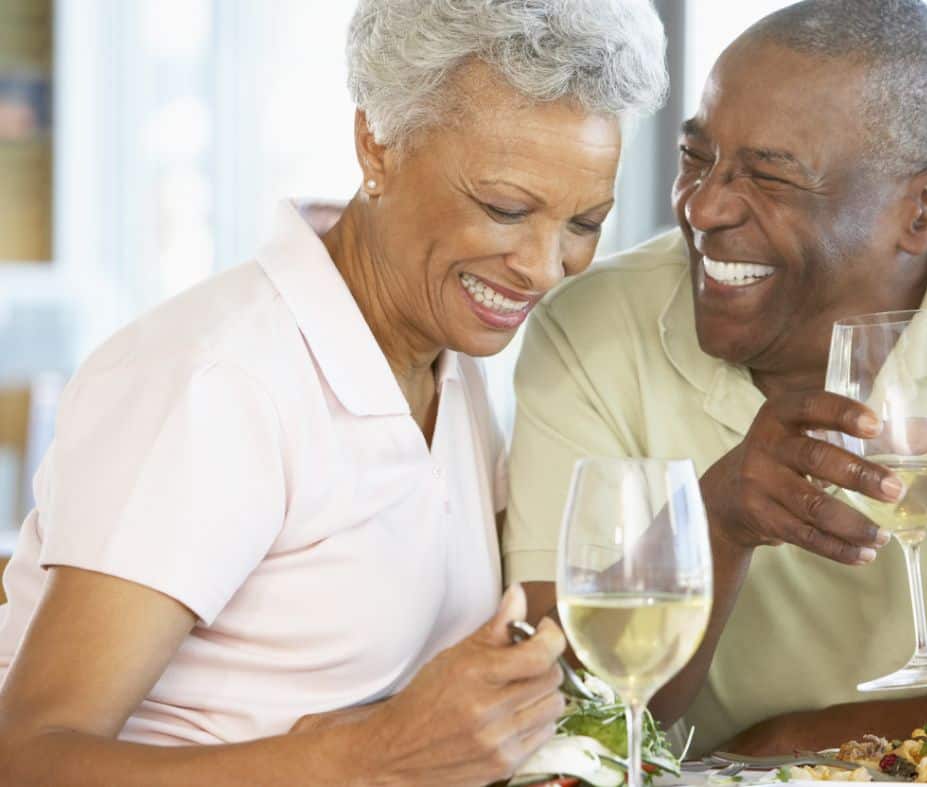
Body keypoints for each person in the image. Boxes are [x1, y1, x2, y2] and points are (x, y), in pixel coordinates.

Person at [502, 0, 927, 780]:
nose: (703, 206)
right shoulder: (587, 325)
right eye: (698, 157)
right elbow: (562, 723)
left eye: (770, 175)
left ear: (922, 212)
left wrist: (796, 745)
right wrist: (713, 526)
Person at [0, 1, 667, 785]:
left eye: (584, 222)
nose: (545, 267)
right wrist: (372, 753)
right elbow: (28, 758)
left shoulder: (445, 355)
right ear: (375, 145)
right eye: (505, 209)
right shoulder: (218, 381)